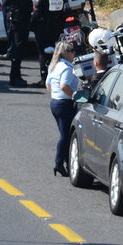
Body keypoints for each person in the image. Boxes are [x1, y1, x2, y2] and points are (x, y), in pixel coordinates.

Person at [46, 40, 82, 177]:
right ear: (66, 53)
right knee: (66, 136)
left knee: (64, 134)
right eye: (72, 51)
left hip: (55, 102)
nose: (74, 53)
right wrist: (74, 96)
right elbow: (64, 86)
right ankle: (59, 163)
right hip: (64, 104)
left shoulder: (54, 66)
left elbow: (48, 84)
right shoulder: (67, 68)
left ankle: (65, 161)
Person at [0, 0, 34, 87]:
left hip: (24, 20)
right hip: (17, 21)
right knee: (17, 50)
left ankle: (17, 76)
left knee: (20, 49)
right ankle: (14, 78)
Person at [29, 0, 65, 83]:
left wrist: (30, 26)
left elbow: (37, 14)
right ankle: (54, 77)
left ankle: (44, 79)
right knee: (55, 54)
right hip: (56, 30)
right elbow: (62, 14)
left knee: (42, 54)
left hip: (43, 30)